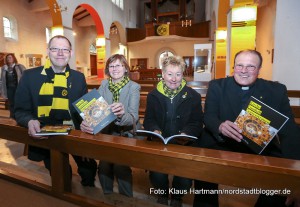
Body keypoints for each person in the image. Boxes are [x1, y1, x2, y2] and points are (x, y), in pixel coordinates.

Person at [193, 49, 300, 207]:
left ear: (259, 69)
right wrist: (220, 126)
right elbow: (209, 116)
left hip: (259, 148)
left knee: (280, 180)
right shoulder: (217, 86)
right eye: (239, 65)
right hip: (222, 144)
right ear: (234, 67)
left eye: (250, 67)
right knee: (204, 167)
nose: (243, 71)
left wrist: (296, 177)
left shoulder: (276, 91)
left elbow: (289, 130)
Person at [14, 35, 97, 187]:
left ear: (70, 53)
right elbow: (19, 110)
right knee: (61, 173)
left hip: (74, 132)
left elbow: (85, 109)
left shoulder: (78, 78)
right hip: (47, 135)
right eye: (55, 49)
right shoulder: (30, 76)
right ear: (48, 51)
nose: (60, 53)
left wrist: (88, 122)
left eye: (65, 49)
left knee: (89, 168)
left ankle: (88, 189)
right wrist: (29, 120)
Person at [143, 55, 203, 207]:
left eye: (178, 74)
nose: (174, 79)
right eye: (170, 74)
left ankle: (177, 197)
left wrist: (186, 133)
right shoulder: (153, 95)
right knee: (157, 175)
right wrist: (154, 130)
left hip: (184, 143)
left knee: (184, 178)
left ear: (183, 74)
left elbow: (197, 122)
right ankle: (162, 194)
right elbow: (148, 119)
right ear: (163, 74)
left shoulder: (193, 96)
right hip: (160, 142)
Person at [80, 54, 141, 197]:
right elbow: (95, 109)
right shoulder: (104, 84)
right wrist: (86, 121)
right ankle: (107, 195)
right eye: (111, 66)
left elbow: (134, 117)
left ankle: (126, 198)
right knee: (104, 165)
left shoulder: (133, 87)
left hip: (124, 133)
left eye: (119, 65)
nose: (115, 69)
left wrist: (120, 114)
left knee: (121, 166)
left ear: (126, 68)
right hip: (107, 131)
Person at [1, 53, 25, 118]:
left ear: (14, 58)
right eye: (8, 58)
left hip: (18, 88)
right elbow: (2, 80)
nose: (9, 59)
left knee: (19, 103)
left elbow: (26, 77)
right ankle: (12, 116)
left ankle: (19, 116)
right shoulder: (4, 68)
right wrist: (2, 91)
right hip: (9, 89)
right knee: (11, 104)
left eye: (10, 57)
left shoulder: (20, 66)